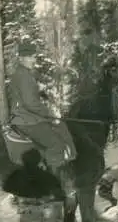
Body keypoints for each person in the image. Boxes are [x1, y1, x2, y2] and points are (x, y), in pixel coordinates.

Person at [7, 41, 78, 210]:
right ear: (21, 58)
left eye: (33, 56)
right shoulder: (23, 76)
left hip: (27, 116)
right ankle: (51, 190)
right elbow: (31, 103)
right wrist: (50, 115)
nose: (33, 59)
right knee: (55, 144)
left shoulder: (23, 73)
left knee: (57, 131)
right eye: (29, 56)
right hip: (27, 119)